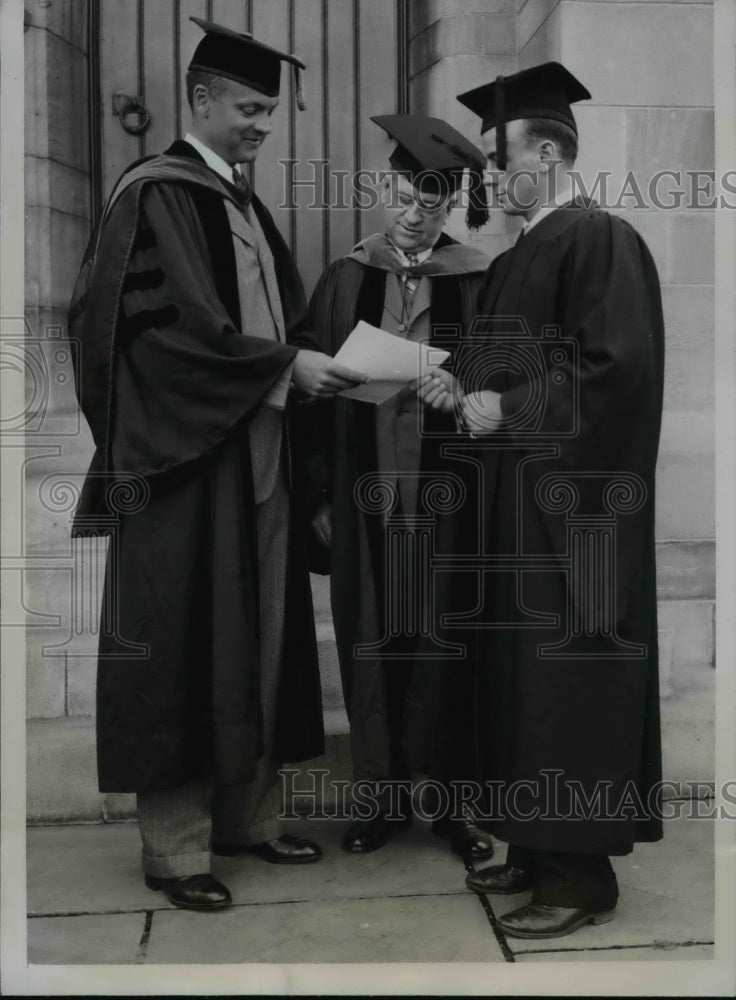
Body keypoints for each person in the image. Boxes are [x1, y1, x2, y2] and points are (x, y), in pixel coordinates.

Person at [68, 18, 366, 912]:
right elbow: (152, 339)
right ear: (198, 99)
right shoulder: (153, 196)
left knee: (262, 635)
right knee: (186, 643)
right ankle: (177, 850)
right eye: (248, 106)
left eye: (270, 108)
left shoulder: (242, 202)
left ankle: (251, 821)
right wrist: (281, 367)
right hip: (186, 465)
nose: (263, 123)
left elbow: (279, 323)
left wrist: (323, 364)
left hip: (263, 455)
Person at [452, 62, 665, 939]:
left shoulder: (598, 238)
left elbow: (614, 371)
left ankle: (580, 880)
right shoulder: (518, 255)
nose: (490, 178)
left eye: (500, 160)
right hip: (516, 511)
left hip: (570, 518)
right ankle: (537, 848)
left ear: (545, 150)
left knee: (564, 684)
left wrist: (505, 405)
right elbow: (506, 373)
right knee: (522, 686)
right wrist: (461, 392)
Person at [306, 114, 495, 860]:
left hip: (449, 503)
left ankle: (452, 806)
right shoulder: (347, 274)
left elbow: (506, 375)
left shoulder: (476, 278)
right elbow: (312, 395)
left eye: (435, 200)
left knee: (448, 646)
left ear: (452, 204)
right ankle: (379, 800)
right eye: (410, 193)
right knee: (372, 646)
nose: (418, 212)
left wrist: (465, 380)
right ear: (388, 186)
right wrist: (320, 492)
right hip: (366, 500)